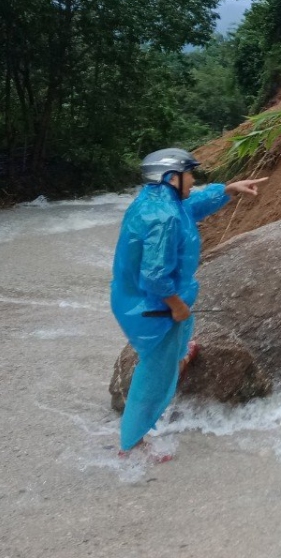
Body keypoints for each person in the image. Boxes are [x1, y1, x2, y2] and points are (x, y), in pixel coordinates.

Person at [110, 147, 267, 459]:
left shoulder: (160, 202)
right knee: (154, 376)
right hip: (152, 305)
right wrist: (175, 304)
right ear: (171, 177)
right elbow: (154, 276)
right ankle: (132, 444)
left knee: (183, 330)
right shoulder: (164, 217)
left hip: (142, 298)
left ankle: (181, 354)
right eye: (189, 175)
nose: (193, 181)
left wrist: (227, 190)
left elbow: (191, 207)